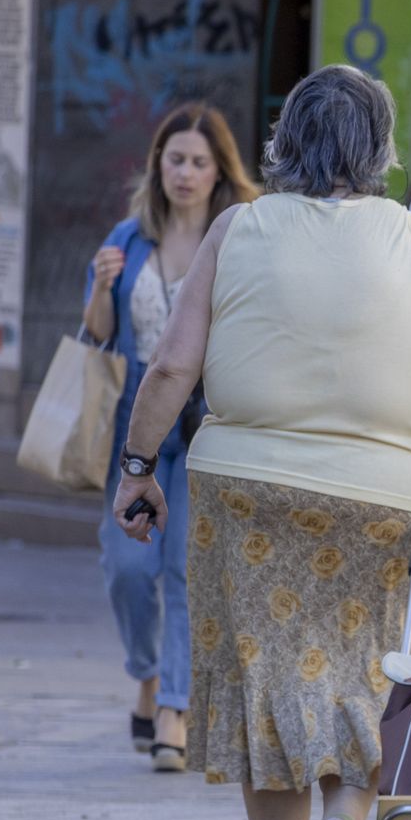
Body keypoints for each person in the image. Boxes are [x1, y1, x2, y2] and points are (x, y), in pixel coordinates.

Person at [110, 65, 411, 820]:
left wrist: (138, 467)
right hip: (387, 500)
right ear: (381, 147)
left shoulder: (237, 228)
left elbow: (172, 364)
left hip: (250, 495)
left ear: (284, 141)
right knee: (378, 677)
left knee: (267, 695)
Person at [83, 103, 259, 773]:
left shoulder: (239, 237)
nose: (185, 173)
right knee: (128, 569)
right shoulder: (128, 239)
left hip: (206, 420)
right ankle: (147, 673)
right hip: (136, 420)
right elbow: (98, 335)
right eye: (175, 159)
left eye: (199, 162)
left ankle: (174, 710)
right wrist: (102, 286)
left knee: (186, 565)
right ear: (158, 166)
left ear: (220, 172)